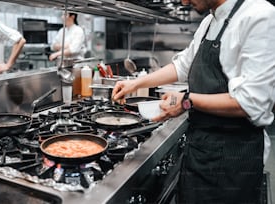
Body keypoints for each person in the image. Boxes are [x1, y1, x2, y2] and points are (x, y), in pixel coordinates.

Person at [112, 0, 275, 203]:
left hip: (233, 160)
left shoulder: (260, 16)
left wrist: (187, 101)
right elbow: (182, 66)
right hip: (199, 152)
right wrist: (135, 84)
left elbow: (252, 102)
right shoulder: (209, 21)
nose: (184, 1)